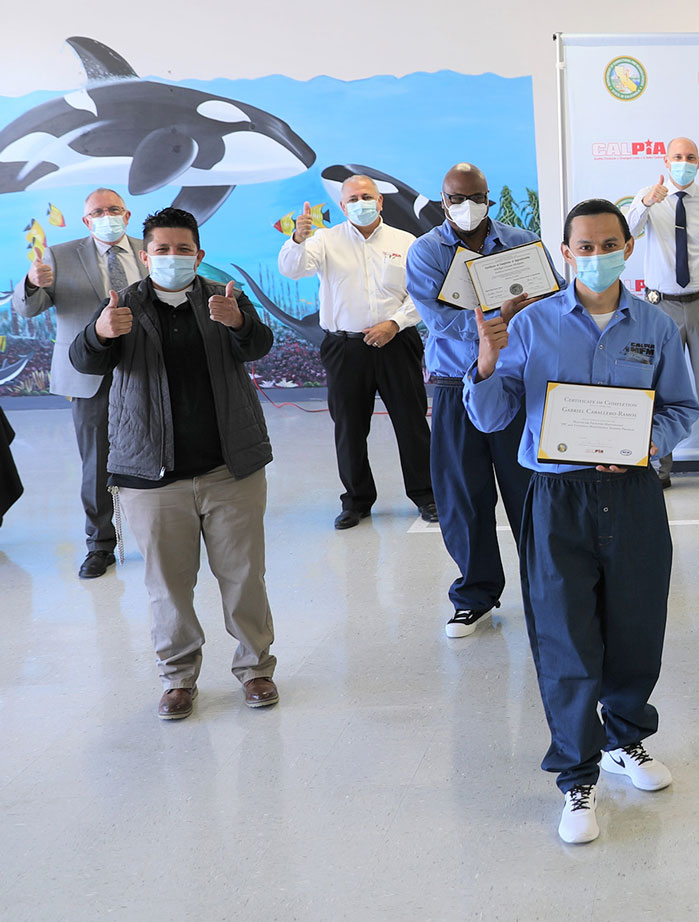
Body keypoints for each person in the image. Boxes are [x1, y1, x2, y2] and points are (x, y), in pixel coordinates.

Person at [464, 199, 699, 845]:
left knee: (636, 626)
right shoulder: (531, 325)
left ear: (628, 246)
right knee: (566, 638)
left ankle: (627, 740)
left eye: (608, 244)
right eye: (584, 246)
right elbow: (489, 416)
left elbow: (683, 408)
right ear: (565, 254)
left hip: (633, 498)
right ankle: (577, 776)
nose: (597, 256)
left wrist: (645, 444)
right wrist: (486, 361)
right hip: (557, 497)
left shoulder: (654, 324)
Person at [68, 207, 279, 720]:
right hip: (150, 474)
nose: (171, 257)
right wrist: (100, 332)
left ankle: (256, 670)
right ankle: (179, 678)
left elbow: (261, 346)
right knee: (166, 584)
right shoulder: (123, 305)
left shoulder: (221, 297)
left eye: (182, 249)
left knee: (244, 575)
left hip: (230, 466)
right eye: (161, 249)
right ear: (145, 256)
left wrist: (241, 322)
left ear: (199, 255)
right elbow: (84, 360)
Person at [405, 163, 545, 639]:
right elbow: (441, 321)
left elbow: (549, 307)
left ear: (489, 197)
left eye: (477, 196)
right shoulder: (426, 252)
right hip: (453, 381)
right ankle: (476, 595)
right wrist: (499, 319)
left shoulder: (522, 243)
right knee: (463, 495)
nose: (469, 207)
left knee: (529, 490)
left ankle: (546, 590)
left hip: (514, 383)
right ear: (443, 201)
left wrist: (505, 323)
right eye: (457, 198)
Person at [277, 175, 436, 530]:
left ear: (380, 202)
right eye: (352, 198)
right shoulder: (323, 241)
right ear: (342, 205)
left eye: (367, 197)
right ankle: (357, 501)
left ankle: (426, 495)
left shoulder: (405, 241)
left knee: (411, 423)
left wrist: (394, 323)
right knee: (349, 428)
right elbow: (291, 269)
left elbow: (422, 294)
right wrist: (297, 239)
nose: (360, 203)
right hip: (344, 347)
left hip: (396, 342)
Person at [10, 188, 148, 577]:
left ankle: (162, 535)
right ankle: (101, 544)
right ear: (86, 221)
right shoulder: (60, 255)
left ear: (127, 213)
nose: (107, 216)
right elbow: (27, 309)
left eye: (114, 209)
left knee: (159, 452)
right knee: (97, 463)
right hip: (89, 375)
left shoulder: (148, 250)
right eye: (98, 211)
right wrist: (33, 283)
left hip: (147, 369)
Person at [626, 136, 699, 495]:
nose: (684, 161)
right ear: (665, 160)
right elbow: (625, 236)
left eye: (690, 156)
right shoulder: (647, 199)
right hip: (660, 307)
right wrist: (645, 203)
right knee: (657, 390)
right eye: (677, 156)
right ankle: (659, 468)